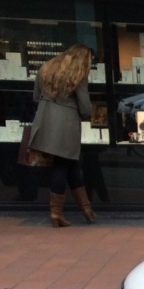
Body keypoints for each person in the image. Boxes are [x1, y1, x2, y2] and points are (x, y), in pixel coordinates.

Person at [27, 44, 96, 228]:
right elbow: (85, 105)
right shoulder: (78, 73)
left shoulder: (47, 66)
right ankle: (56, 213)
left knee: (70, 164)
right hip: (66, 124)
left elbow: (35, 96)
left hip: (46, 120)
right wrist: (84, 114)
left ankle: (86, 209)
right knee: (62, 165)